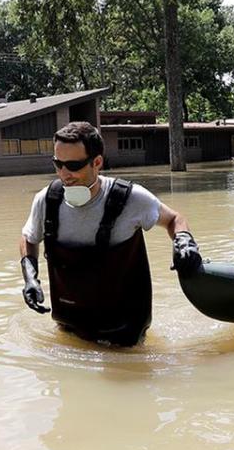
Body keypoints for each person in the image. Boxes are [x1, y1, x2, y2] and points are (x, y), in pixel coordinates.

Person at [18, 121, 202, 346]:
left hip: (123, 330)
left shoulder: (132, 199)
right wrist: (30, 277)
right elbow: (29, 236)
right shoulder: (47, 200)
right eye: (58, 164)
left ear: (97, 162)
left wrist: (184, 241)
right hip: (69, 326)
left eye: (74, 165)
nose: (64, 174)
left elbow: (174, 219)